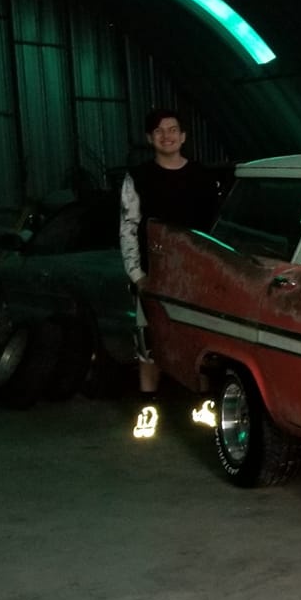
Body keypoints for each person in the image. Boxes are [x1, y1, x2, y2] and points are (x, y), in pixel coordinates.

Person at [118, 108, 224, 394]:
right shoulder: (138, 177)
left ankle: (202, 403)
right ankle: (149, 405)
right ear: (149, 138)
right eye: (159, 131)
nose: (167, 136)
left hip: (196, 277)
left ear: (184, 136)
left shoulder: (202, 176)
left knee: (199, 345)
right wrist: (138, 276)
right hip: (153, 277)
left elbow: (216, 229)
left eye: (173, 130)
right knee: (150, 345)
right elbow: (128, 227)